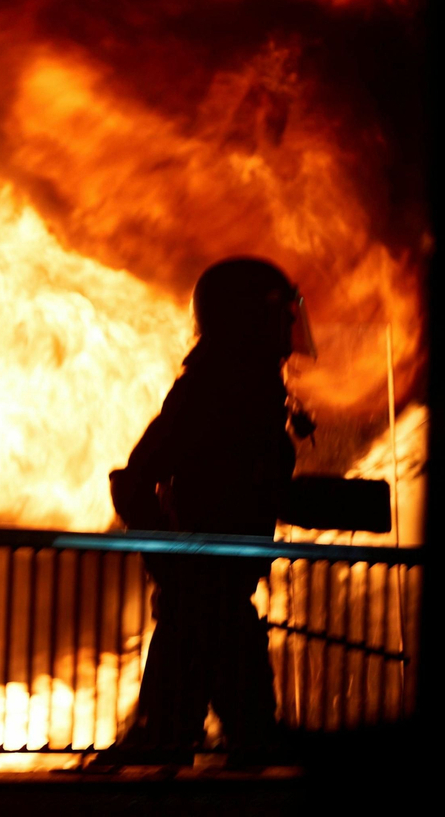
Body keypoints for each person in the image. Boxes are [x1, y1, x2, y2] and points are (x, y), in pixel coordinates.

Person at [107, 257, 314, 762]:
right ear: (247, 320)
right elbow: (135, 480)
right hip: (209, 593)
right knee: (234, 737)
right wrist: (175, 562)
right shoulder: (212, 390)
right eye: (279, 317)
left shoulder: (249, 391)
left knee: (184, 736)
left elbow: (248, 484)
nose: (288, 332)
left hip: (216, 591)